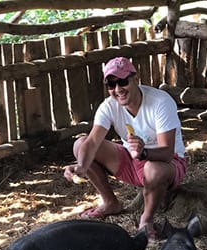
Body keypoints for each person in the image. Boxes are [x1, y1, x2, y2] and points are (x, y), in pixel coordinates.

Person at [63, 57, 187, 238]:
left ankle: (146, 219)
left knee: (153, 169)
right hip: (133, 159)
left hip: (166, 163)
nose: (118, 89)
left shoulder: (161, 102)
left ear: (135, 79)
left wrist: (144, 152)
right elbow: (91, 143)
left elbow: (168, 153)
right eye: (111, 85)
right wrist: (81, 167)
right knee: (80, 144)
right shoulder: (109, 106)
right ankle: (110, 203)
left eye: (122, 82)